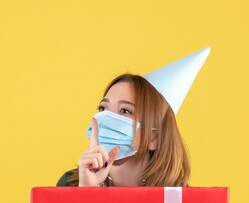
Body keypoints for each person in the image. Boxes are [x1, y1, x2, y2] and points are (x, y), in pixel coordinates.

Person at [56, 73, 191, 187]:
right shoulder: (70, 184)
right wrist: (86, 192)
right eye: (103, 108)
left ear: (154, 138)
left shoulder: (178, 200)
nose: (107, 119)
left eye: (125, 111)